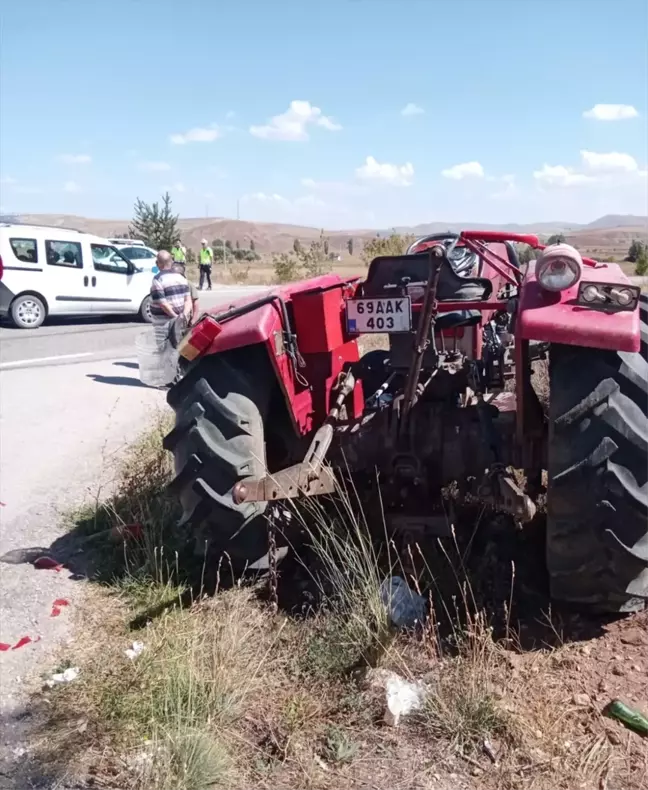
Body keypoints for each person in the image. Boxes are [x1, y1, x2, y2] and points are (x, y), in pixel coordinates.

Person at [149, 250, 192, 328]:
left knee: (164, 340)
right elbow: (188, 300)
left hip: (163, 325)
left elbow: (163, 304)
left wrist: (175, 317)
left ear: (159, 264)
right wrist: (183, 316)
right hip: (180, 324)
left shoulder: (158, 279)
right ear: (171, 262)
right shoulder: (182, 278)